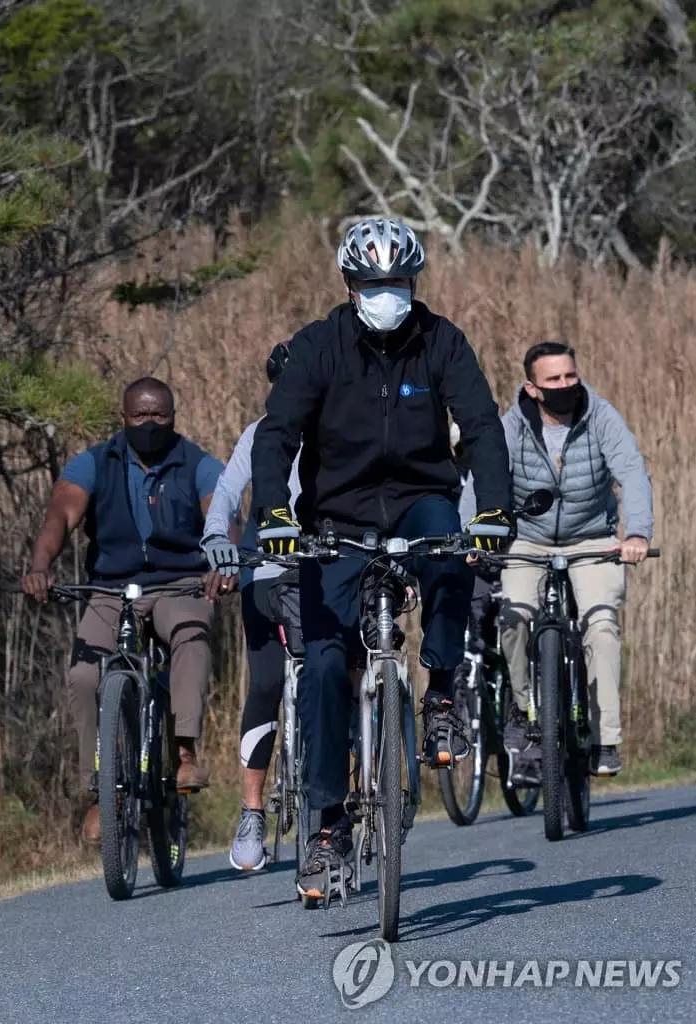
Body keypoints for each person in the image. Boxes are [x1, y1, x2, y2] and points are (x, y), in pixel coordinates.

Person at [250, 217, 513, 899]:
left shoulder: (441, 340)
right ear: (349, 284)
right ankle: (328, 826)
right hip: (334, 515)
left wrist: (491, 510)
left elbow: (481, 425)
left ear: (413, 281)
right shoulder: (317, 347)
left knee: (452, 556)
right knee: (325, 664)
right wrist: (273, 514)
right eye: (373, 284)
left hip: (420, 497)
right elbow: (275, 434)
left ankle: (443, 693)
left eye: (397, 282)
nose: (386, 294)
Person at [21, 377, 224, 842]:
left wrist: (223, 562)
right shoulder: (95, 462)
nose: (150, 424)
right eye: (140, 416)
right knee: (83, 676)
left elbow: (221, 517)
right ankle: (100, 791)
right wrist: (40, 565)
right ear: (123, 418)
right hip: (112, 588)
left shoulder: (198, 464)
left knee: (191, 637)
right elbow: (62, 514)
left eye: (160, 416)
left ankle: (186, 754)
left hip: (180, 582)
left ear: (174, 417)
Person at [461, 341, 653, 780]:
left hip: (593, 540)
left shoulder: (601, 416)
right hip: (527, 541)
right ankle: (527, 710)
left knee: (601, 626)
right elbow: (482, 479)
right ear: (532, 387)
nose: (566, 385)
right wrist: (475, 535)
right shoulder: (511, 426)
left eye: (570, 376)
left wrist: (637, 533)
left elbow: (631, 472)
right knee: (512, 618)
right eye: (554, 380)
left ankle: (605, 738)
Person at [202, 342, 302, 872]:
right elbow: (225, 496)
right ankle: (252, 811)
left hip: (332, 570)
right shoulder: (259, 434)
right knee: (265, 683)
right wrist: (218, 538)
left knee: (344, 678)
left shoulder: (348, 430)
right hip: (268, 571)